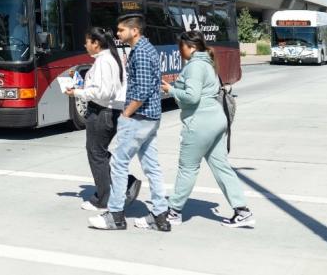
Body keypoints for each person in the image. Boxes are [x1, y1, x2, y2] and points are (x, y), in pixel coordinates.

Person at [162, 31, 255, 228]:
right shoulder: (208, 64)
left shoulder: (195, 66)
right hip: (216, 120)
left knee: (188, 168)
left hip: (199, 122)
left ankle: (174, 211)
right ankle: (242, 211)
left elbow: (192, 97)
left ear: (191, 47)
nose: (180, 52)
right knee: (221, 166)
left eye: (182, 47)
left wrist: (171, 90)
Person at [89, 14, 171, 232]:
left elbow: (142, 91)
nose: (117, 34)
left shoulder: (142, 53)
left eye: (121, 30)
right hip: (150, 118)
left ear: (135, 31)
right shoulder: (146, 49)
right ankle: (160, 215)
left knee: (118, 164)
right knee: (152, 166)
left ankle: (115, 215)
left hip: (138, 117)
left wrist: (126, 114)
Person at [65, 27, 141, 211]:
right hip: (109, 111)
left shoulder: (104, 61)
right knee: (98, 151)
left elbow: (104, 92)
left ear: (96, 43)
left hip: (102, 112)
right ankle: (124, 182)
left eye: (87, 42)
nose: (85, 45)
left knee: (96, 154)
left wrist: (77, 92)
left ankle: (103, 198)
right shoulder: (110, 58)